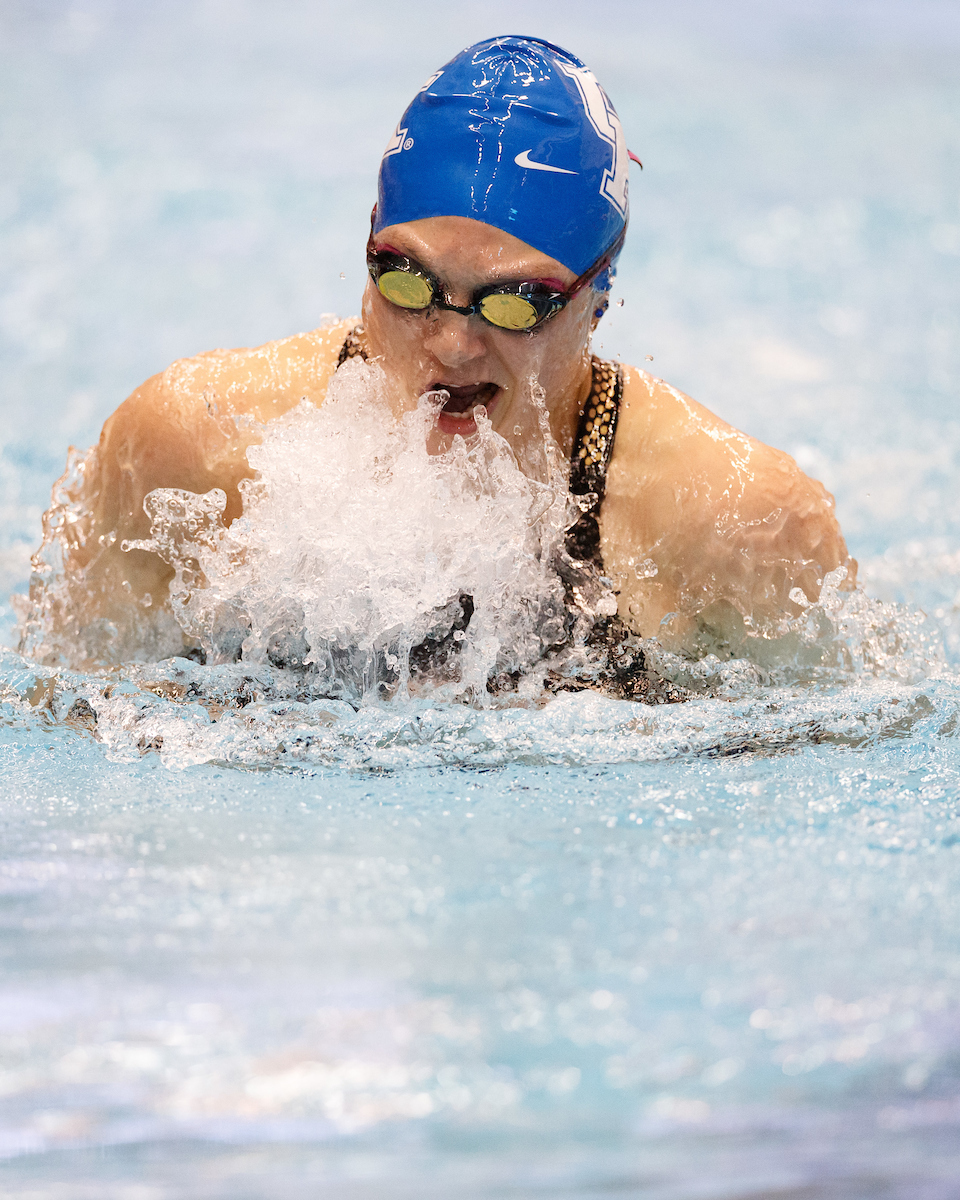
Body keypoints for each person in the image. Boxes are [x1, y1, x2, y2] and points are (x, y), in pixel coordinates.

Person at [26, 35, 853, 671]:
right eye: (410, 283)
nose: (454, 343)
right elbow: (62, 702)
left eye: (514, 303)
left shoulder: (734, 522)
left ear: (596, 304)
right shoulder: (195, 447)